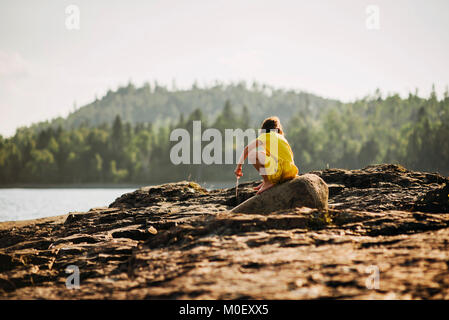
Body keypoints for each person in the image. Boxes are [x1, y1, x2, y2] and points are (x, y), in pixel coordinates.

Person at [234, 116, 299, 194]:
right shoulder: (281, 137)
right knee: (263, 153)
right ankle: (266, 181)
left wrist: (239, 167)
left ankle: (268, 182)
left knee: (252, 155)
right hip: (291, 172)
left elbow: (247, 149)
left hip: (281, 171)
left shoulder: (266, 135)